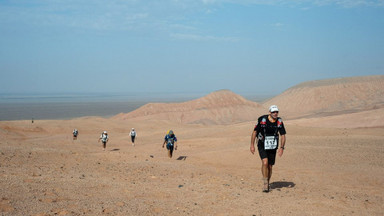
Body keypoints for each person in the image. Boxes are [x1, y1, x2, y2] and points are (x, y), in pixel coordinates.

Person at [250, 105, 286, 193]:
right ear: (269, 112)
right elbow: (255, 132)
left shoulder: (279, 122)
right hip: (262, 144)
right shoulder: (262, 120)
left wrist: (281, 147)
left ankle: (268, 180)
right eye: (273, 112)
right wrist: (252, 145)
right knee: (265, 162)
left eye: (276, 112)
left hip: (272, 146)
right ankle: (265, 183)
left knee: (270, 166)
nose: (275, 113)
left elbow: (283, 135)